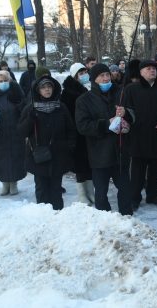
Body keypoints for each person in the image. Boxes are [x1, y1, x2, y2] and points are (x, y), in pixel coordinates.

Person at [75, 64, 133, 215]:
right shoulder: (84, 100)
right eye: (101, 76)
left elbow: (134, 115)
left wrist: (126, 113)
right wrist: (106, 123)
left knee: (125, 188)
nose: (106, 78)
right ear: (94, 79)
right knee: (101, 192)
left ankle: (126, 215)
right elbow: (83, 126)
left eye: (107, 74)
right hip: (99, 153)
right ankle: (103, 218)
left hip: (120, 150)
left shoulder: (121, 93)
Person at [18, 75, 75, 210]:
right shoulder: (30, 108)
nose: (47, 90)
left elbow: (71, 129)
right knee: (41, 188)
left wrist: (69, 145)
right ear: (38, 90)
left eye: (49, 86)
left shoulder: (61, 107)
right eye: (43, 87)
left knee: (56, 189)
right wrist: (30, 119)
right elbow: (21, 132)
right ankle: (44, 217)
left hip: (58, 155)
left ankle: (58, 215)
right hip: (38, 156)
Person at [123, 60, 157, 208]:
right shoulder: (131, 89)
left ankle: (153, 195)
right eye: (149, 68)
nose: (152, 71)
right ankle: (134, 198)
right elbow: (126, 111)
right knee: (138, 171)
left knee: (156, 169)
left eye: (154, 68)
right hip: (138, 135)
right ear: (141, 72)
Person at [0, 70, 26, 196]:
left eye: (5, 80)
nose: (3, 83)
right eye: (0, 81)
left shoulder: (16, 93)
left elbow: (24, 110)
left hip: (15, 130)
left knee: (16, 157)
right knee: (1, 158)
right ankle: (4, 184)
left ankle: (14, 183)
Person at [60, 63, 94, 205]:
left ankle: (90, 192)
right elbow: (66, 115)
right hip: (77, 132)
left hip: (90, 131)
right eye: (81, 73)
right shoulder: (68, 92)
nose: (84, 75)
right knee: (80, 164)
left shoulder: (90, 87)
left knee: (90, 163)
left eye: (85, 72)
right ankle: (82, 194)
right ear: (74, 76)